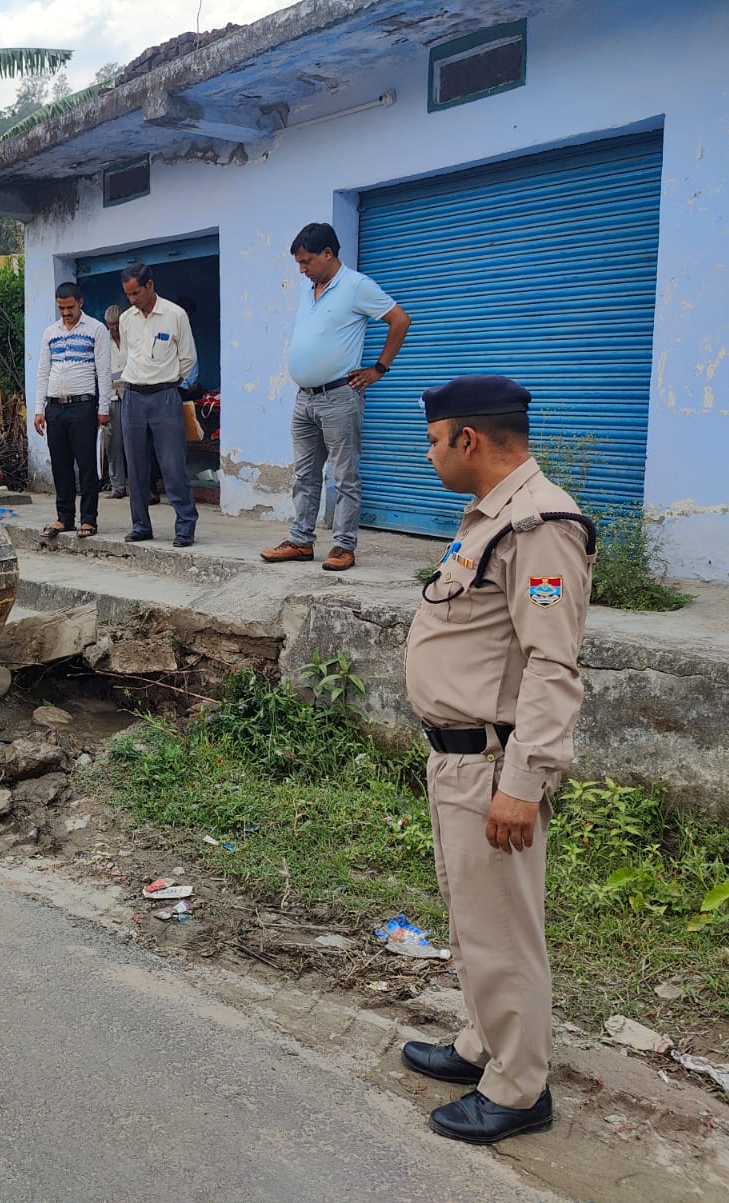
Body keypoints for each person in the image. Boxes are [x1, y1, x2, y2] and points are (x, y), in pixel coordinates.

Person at [401, 374, 596, 1146]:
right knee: (472, 917)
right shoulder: (492, 518)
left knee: (503, 929)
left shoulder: (539, 526)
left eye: (433, 440)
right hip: (458, 760)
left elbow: (554, 667)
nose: (429, 453)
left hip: (492, 768)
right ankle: (484, 1044)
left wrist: (522, 783)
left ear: (467, 440)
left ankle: (519, 1088)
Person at [261, 222, 410, 571]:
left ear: (329, 253)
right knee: (305, 475)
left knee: (345, 476)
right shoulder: (309, 287)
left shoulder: (357, 286)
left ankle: (344, 546)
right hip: (305, 398)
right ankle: (300, 541)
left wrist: (378, 370)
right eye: (299, 263)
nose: (301, 269)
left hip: (340, 396)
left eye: (307, 261)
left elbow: (400, 320)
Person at [117, 261, 197, 547]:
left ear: (150, 285)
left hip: (165, 396)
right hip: (133, 397)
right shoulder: (127, 319)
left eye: (136, 293)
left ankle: (185, 524)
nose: (133, 300)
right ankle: (140, 525)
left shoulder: (175, 315)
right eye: (128, 295)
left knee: (173, 463)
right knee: (136, 466)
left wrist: (171, 383)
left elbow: (187, 358)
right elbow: (128, 355)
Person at [33, 282, 111, 538]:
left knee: (87, 465)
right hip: (54, 407)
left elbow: (103, 371)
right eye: (61, 308)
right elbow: (43, 371)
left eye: (69, 307)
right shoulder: (50, 333)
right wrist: (38, 410)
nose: (65, 313)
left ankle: (89, 519)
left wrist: (103, 408)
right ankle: (64, 518)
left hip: (83, 406)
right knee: (61, 466)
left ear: (81, 303)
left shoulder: (96, 330)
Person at [101, 304, 128, 498]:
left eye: (117, 325)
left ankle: (140, 487)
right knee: (113, 444)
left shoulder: (130, 338)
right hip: (111, 396)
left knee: (135, 443)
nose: (114, 329)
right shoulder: (104, 342)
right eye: (111, 325)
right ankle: (117, 487)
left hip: (131, 394)